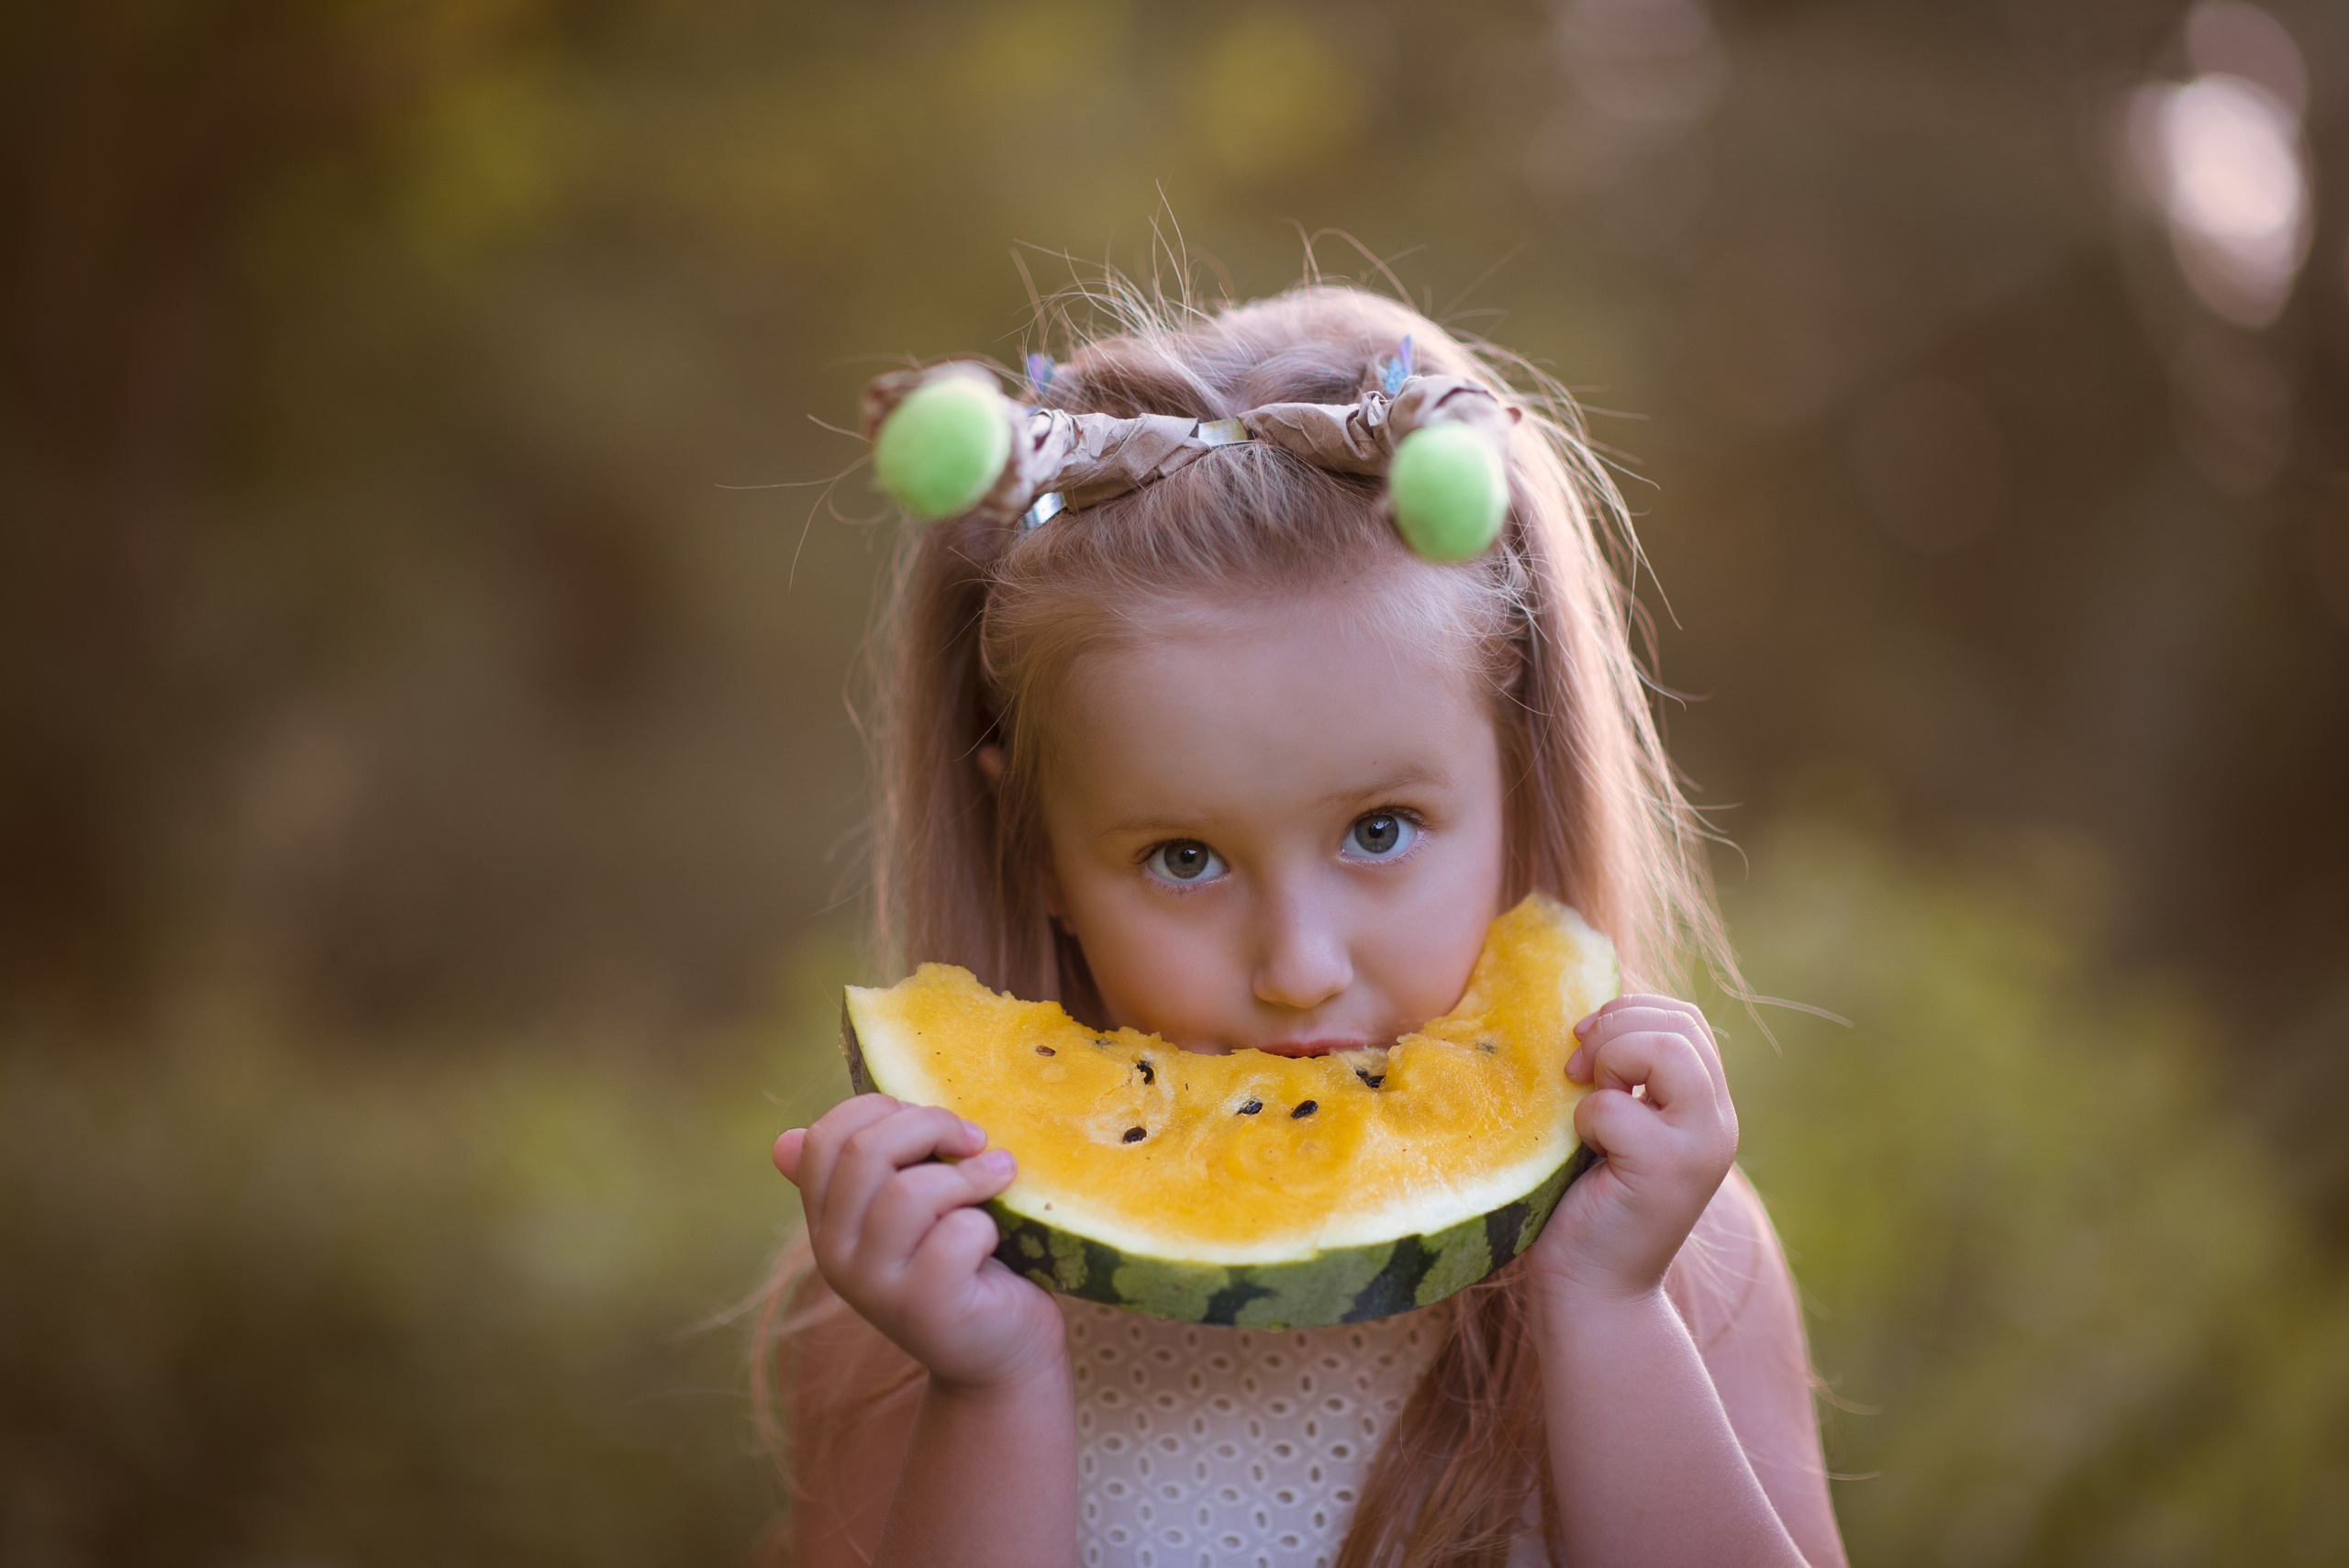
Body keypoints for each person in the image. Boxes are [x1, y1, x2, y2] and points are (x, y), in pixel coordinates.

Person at [758, 280, 1848, 1568]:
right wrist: (989, 1383)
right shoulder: (899, 1304)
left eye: (1379, 831)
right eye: (1182, 856)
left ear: (1518, 775)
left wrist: (1605, 1310)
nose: (1300, 966)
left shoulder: (1683, 1256)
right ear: (1034, 847)